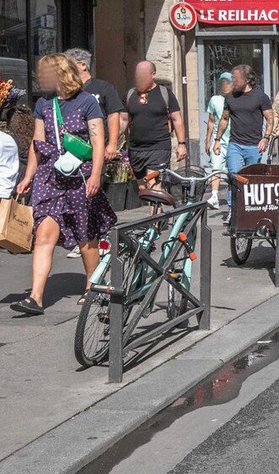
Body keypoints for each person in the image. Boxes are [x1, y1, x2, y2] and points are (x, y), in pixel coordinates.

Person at [11, 54, 115, 315]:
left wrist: (96, 175)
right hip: (50, 176)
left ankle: (92, 284)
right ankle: (35, 297)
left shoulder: (87, 101)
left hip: (80, 175)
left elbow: (98, 141)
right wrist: (28, 176)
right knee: (43, 235)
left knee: (85, 235)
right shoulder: (43, 104)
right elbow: (37, 143)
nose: (41, 77)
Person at [214, 64, 274, 207]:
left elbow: (270, 118)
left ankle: (251, 208)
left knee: (252, 178)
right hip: (235, 144)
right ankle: (233, 209)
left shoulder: (261, 97)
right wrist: (217, 140)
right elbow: (224, 119)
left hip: (254, 145)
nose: (233, 81)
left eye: (236, 78)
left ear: (247, 79)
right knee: (234, 176)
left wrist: (266, 138)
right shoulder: (230, 97)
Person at [121, 60, 186, 186]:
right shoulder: (130, 95)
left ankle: (156, 197)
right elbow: (123, 121)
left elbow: (177, 119)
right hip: (136, 149)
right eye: (138, 74)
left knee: (153, 185)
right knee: (142, 188)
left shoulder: (165, 94)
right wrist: (113, 143)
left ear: (153, 74)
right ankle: (155, 200)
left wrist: (181, 144)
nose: (140, 77)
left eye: (143, 73)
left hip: (159, 147)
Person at [65, 48, 122, 161]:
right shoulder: (68, 91)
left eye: (69, 65)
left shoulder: (103, 87)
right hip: (72, 147)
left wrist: (112, 144)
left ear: (83, 65)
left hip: (97, 147)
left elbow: (113, 115)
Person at [204, 72, 233, 208]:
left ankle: (232, 197)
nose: (224, 85)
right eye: (222, 82)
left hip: (233, 140)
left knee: (232, 170)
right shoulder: (214, 100)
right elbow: (211, 121)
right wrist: (208, 140)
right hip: (218, 141)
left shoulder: (236, 99)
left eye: (227, 82)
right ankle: (214, 196)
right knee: (216, 167)